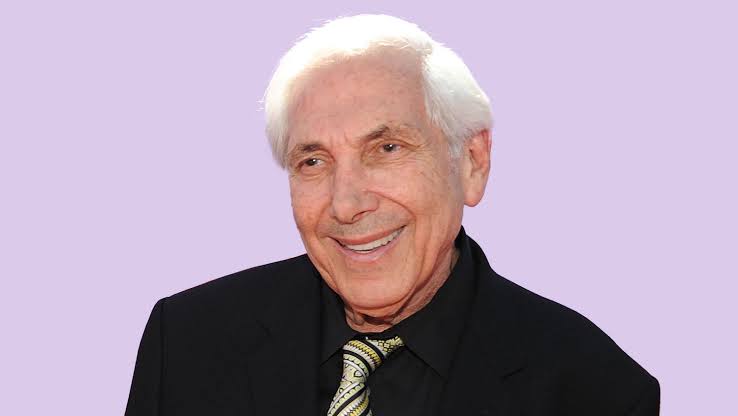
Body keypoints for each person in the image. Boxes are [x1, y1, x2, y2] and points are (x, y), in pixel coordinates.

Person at [125, 14, 659, 416]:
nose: (346, 204)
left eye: (387, 149)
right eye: (313, 161)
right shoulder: (187, 342)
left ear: (472, 163)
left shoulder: (595, 391)